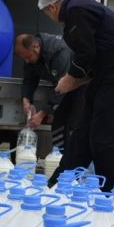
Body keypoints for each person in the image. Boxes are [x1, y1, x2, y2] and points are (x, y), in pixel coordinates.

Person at [37, 0, 114, 192]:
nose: (49, 16)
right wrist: (78, 80)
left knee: (101, 138)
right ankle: (59, 185)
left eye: (46, 12)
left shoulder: (76, 10)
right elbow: (96, 52)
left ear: (52, 7)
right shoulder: (79, 10)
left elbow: (85, 53)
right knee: (82, 134)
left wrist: (70, 79)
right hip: (106, 74)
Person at [14, 33, 89, 171]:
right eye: (23, 58)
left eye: (27, 56)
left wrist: (42, 114)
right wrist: (26, 99)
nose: (26, 61)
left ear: (36, 47)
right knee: (58, 125)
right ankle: (59, 160)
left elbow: (62, 88)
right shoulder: (31, 56)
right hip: (62, 88)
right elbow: (29, 80)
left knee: (72, 126)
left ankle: (74, 167)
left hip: (79, 87)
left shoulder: (59, 53)